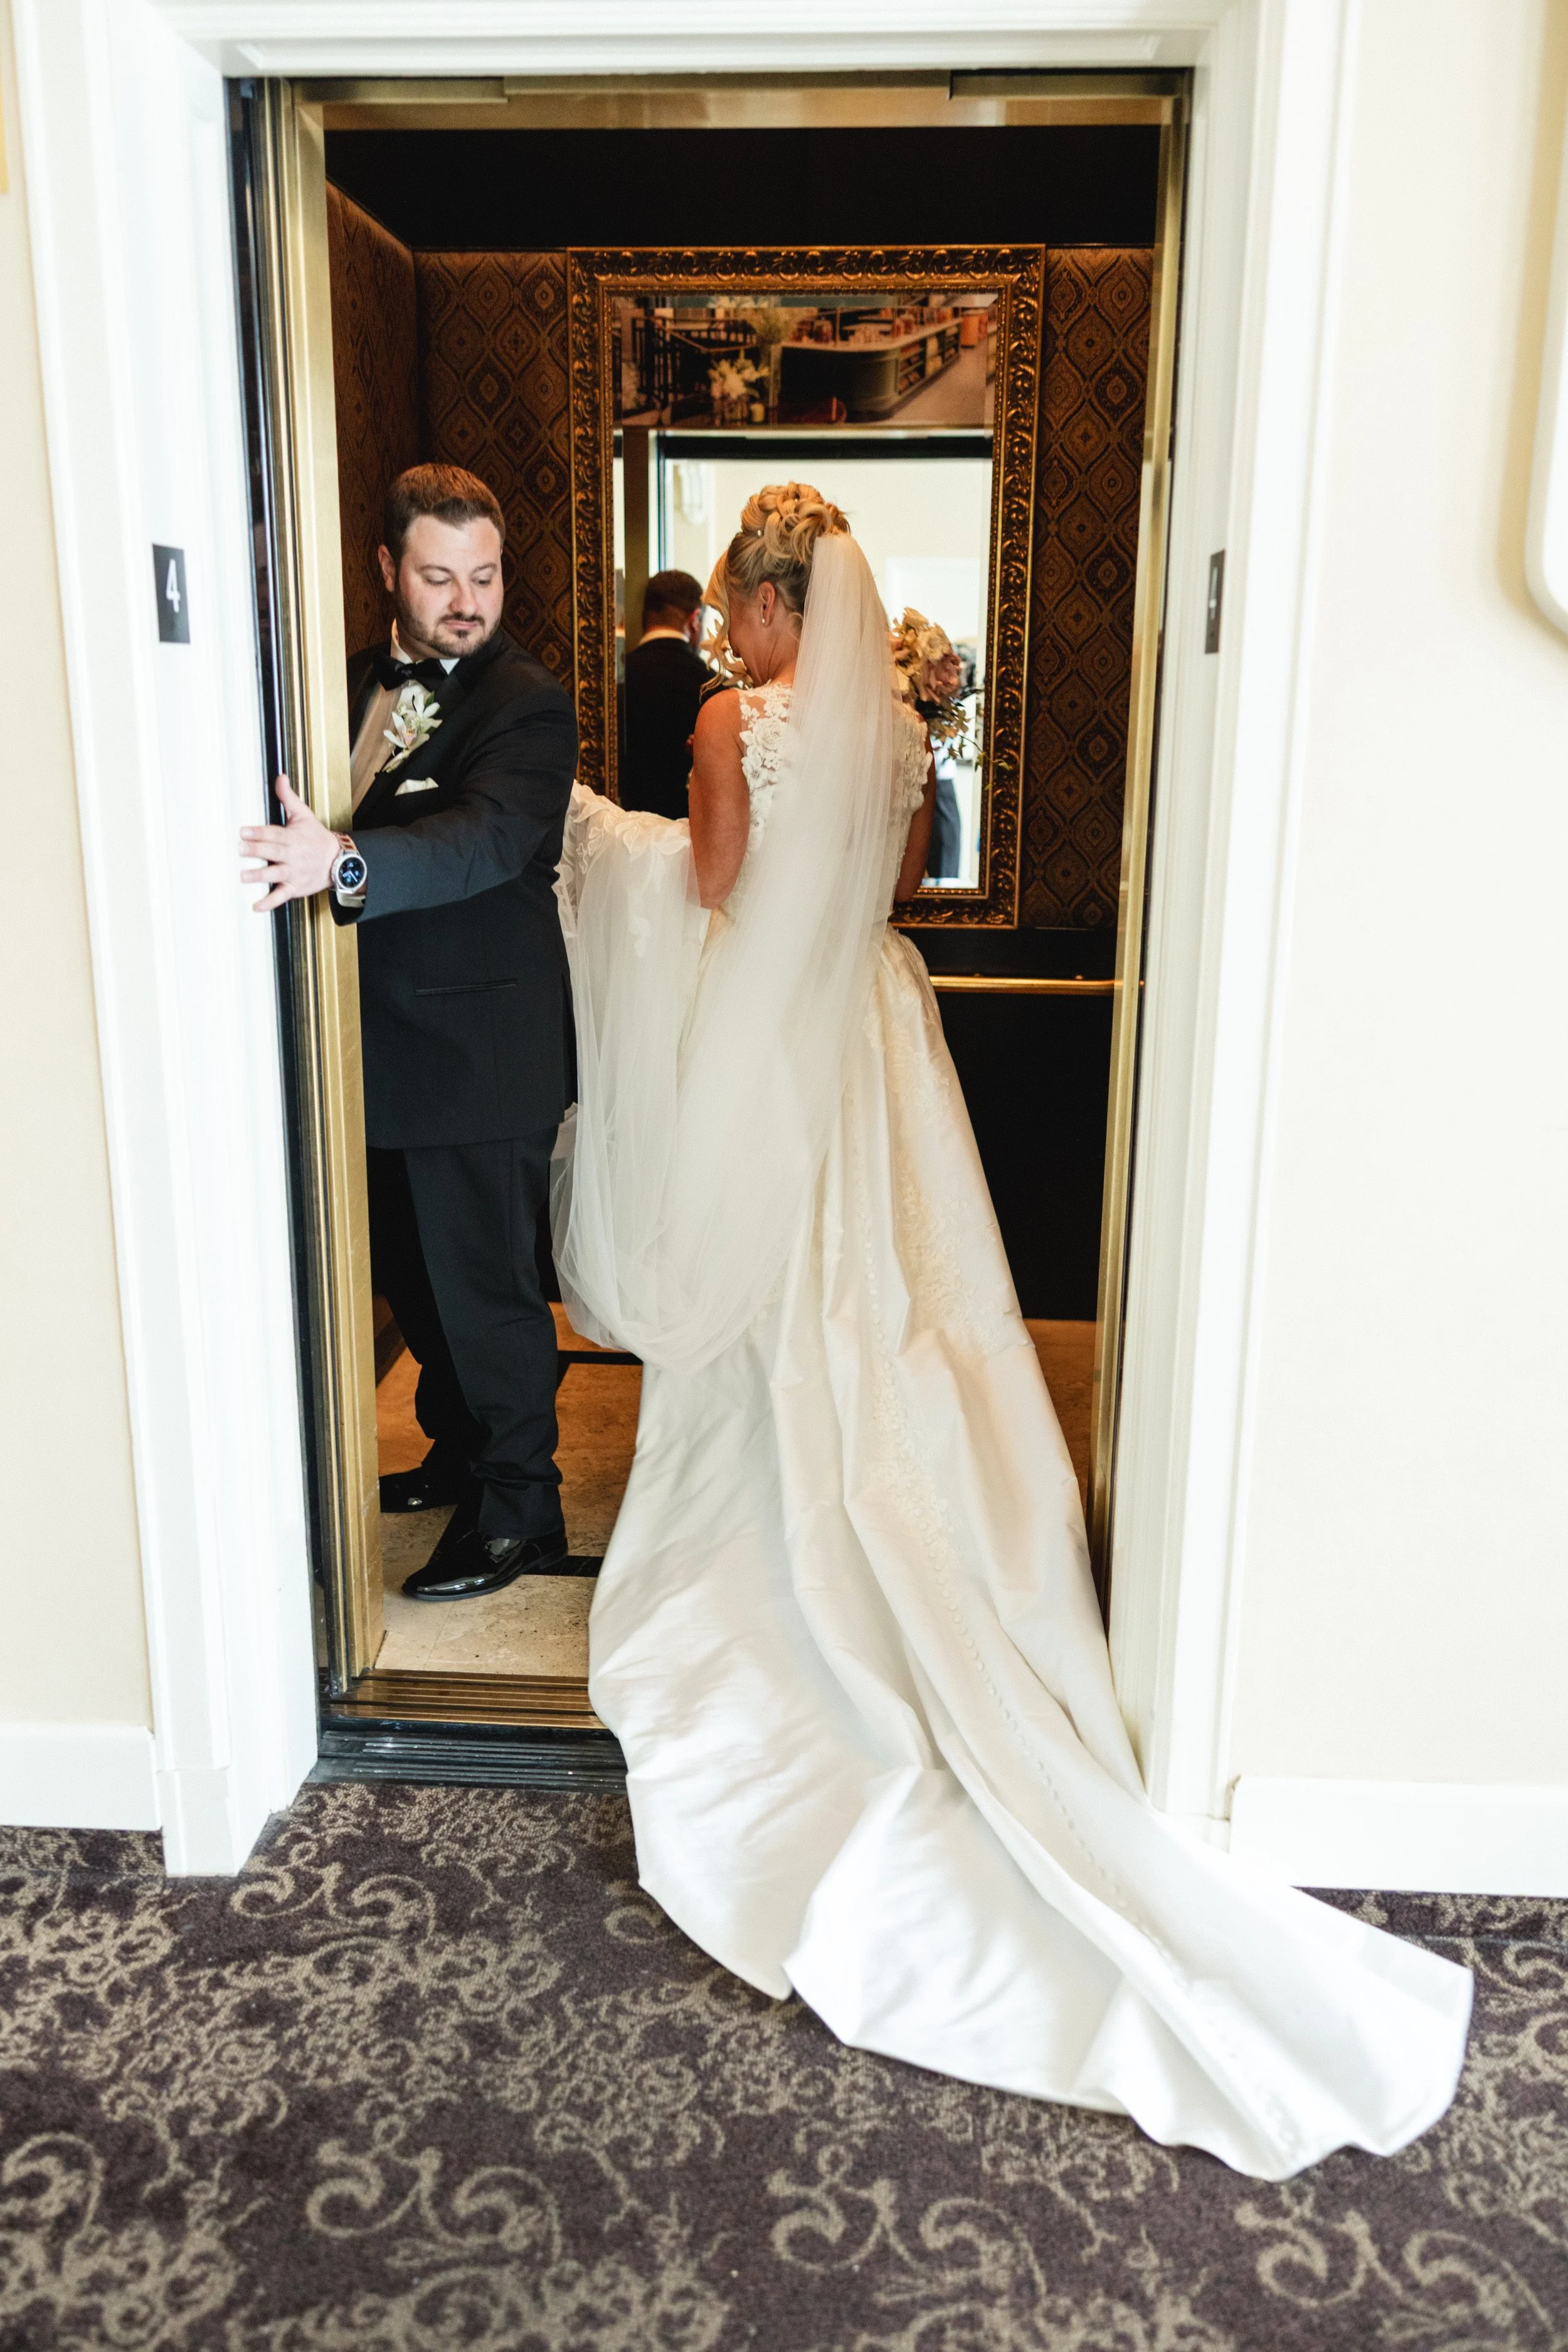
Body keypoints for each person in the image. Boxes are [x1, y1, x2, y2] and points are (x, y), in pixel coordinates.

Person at [549, 482, 1472, 2180]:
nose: (753, 636)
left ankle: (772, 1537)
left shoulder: (725, 714)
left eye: (751, 610)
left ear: (760, 602)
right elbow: (895, 890)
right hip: (884, 1025)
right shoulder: (900, 727)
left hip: (776, 1043)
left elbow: (719, 888)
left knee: (771, 1302)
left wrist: (608, 849)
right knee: (905, 1303)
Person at [240, 464, 578, 1602]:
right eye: (440, 577)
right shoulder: (345, 686)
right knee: (417, 1287)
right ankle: (461, 1453)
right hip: (377, 1053)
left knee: (485, 1291)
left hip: (482, 1057)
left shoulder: (524, 701)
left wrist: (341, 864)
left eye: (484, 576)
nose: (467, 601)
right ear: (389, 570)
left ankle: (524, 1507)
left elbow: (483, 839)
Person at [620, 568, 709, 818]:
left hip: (623, 832)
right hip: (686, 837)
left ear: (645, 616)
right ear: (694, 620)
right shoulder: (714, 687)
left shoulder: (611, 681)